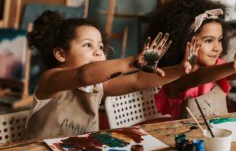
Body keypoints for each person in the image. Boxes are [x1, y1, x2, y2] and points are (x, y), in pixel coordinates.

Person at [24, 10, 197, 140]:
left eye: (100, 46)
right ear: (61, 54)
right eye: (87, 45)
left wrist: (179, 70)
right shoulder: (51, 79)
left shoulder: (97, 85)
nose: (98, 52)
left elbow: (137, 80)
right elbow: (82, 75)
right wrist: (131, 62)